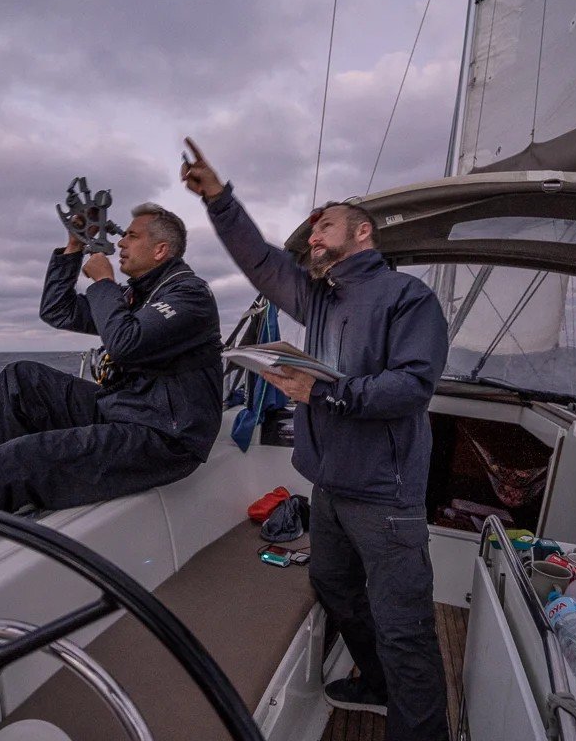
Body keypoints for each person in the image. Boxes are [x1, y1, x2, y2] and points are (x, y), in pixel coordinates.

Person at [182, 138, 450, 741]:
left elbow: (411, 387)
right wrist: (220, 199)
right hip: (328, 486)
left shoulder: (409, 298)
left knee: (405, 627)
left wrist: (321, 392)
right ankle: (378, 686)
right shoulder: (318, 297)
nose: (315, 232)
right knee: (332, 586)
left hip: (385, 496)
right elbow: (260, 262)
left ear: (363, 234)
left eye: (327, 223)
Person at [0, 201, 224, 514]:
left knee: (17, 459)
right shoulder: (136, 296)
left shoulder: (189, 295)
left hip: (165, 438)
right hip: (125, 411)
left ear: (160, 250)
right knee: (20, 379)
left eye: (131, 236)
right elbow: (57, 311)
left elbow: (125, 343)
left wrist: (103, 283)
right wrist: (74, 247)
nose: (120, 243)